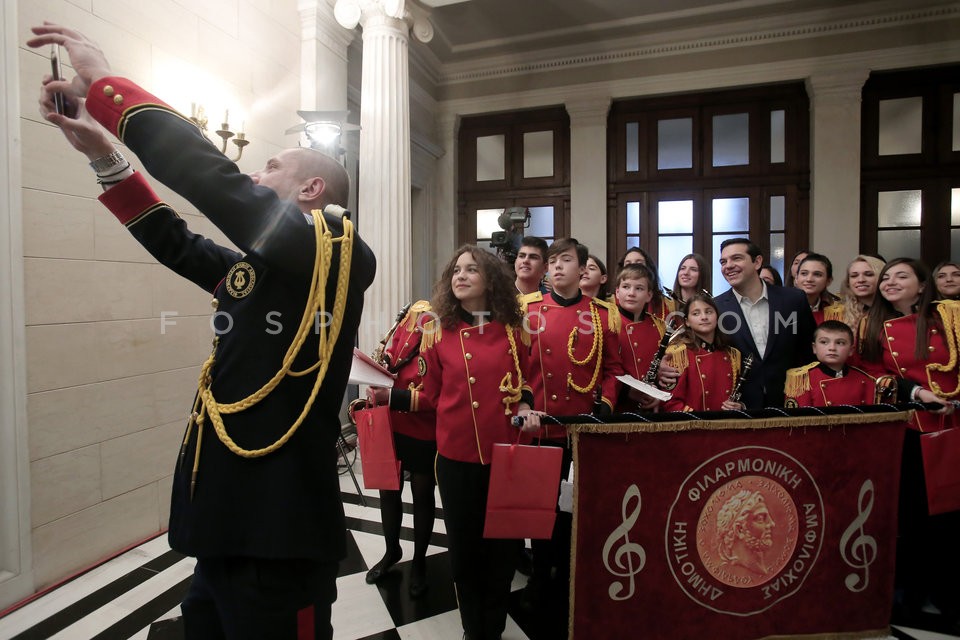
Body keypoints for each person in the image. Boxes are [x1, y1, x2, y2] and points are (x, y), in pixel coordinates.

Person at [29, 24, 377, 639]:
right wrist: (102, 156)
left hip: (279, 536)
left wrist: (106, 84)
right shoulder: (269, 268)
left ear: (310, 189)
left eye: (270, 166)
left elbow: (218, 184)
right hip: (226, 522)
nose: (253, 174)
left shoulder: (339, 251)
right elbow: (179, 245)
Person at [372, 246, 540, 640]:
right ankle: (472, 629)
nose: (460, 276)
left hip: (506, 456)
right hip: (455, 458)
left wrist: (528, 404)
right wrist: (386, 396)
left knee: (501, 552)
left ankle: (493, 629)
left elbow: (526, 379)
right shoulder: (437, 332)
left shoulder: (515, 328)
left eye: (471, 269)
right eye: (456, 270)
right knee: (464, 555)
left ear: (491, 280)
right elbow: (428, 396)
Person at [522, 238, 622, 628]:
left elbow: (613, 369)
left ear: (583, 270)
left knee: (570, 511)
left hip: (580, 431)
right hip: (540, 426)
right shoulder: (528, 310)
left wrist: (605, 406)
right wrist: (523, 403)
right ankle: (538, 577)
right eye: (552, 261)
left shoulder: (601, 314)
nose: (556, 267)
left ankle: (567, 578)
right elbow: (515, 363)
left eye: (566, 261)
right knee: (539, 510)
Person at [856, 258, 959, 629]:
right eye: (887, 278)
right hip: (911, 429)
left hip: (953, 427)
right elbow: (874, 374)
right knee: (913, 519)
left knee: (950, 520)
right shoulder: (875, 327)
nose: (890, 282)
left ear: (921, 284)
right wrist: (916, 390)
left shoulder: (948, 319)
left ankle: (948, 598)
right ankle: (911, 599)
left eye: (901, 276)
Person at [362, 301, 436, 598]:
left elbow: (434, 392)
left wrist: (391, 395)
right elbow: (393, 355)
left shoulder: (436, 328)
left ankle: (419, 562)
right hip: (391, 424)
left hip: (422, 426)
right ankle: (391, 550)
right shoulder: (405, 322)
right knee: (388, 491)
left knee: (422, 495)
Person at [699, 238, 815, 409]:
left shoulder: (793, 300)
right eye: (723, 261)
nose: (728, 266)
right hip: (741, 407)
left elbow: (809, 352)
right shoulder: (716, 308)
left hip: (791, 403)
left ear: (757, 262)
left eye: (736, 258)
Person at [662, 294, 744, 412]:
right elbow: (670, 402)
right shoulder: (679, 354)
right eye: (696, 313)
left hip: (725, 426)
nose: (704, 317)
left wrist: (739, 406)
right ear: (687, 322)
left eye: (709, 312)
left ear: (717, 317)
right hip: (694, 427)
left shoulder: (732, 355)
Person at [784, 320, 876, 408]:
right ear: (814, 348)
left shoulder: (865, 379)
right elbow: (798, 421)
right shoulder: (801, 381)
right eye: (824, 342)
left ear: (851, 350)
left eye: (840, 343)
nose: (832, 348)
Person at [613, 264, 666, 412]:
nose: (631, 293)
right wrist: (627, 392)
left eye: (639, 288)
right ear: (617, 292)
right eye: (625, 287)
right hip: (618, 406)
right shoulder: (607, 323)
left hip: (652, 407)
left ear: (649, 295)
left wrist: (657, 392)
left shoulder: (660, 327)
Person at [620, 246, 675, 321]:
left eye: (639, 263)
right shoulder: (611, 302)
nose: (634, 267)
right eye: (628, 264)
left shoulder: (666, 305)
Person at [837, 254, 884, 333]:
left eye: (869, 274)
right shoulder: (838, 313)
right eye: (854, 276)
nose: (861, 280)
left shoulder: (896, 311)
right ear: (848, 282)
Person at [795, 253, 842, 325]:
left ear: (828, 281)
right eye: (804, 273)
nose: (809, 279)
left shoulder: (835, 310)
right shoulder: (782, 306)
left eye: (817, 274)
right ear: (796, 278)